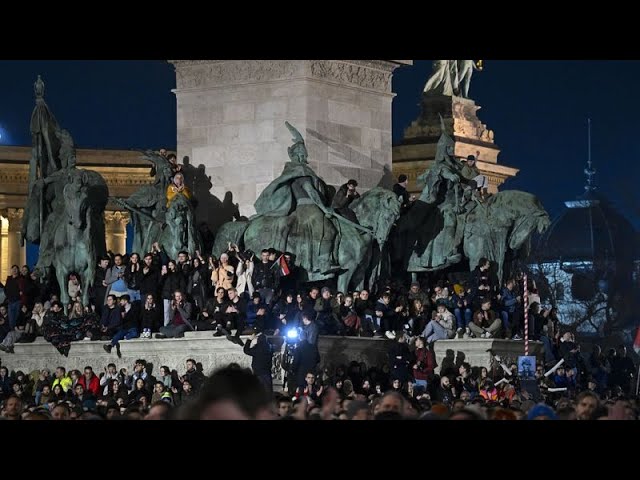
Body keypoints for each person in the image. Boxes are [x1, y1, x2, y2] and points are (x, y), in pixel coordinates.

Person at [243, 329, 273, 393]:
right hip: (267, 372)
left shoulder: (257, 348)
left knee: (258, 392)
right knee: (268, 392)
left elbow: (246, 350)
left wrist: (249, 340)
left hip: (258, 373)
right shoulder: (270, 348)